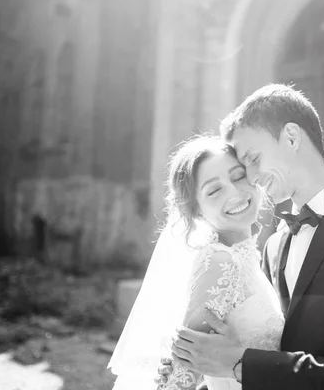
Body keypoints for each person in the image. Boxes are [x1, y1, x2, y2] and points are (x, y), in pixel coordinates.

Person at [163, 84, 324, 390]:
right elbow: (276, 356)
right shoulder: (275, 245)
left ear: (292, 137)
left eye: (253, 159)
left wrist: (239, 362)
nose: (253, 178)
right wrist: (212, 371)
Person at [108, 135, 285, 390]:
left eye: (237, 176)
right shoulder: (220, 261)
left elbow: (206, 370)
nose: (234, 192)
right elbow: (183, 373)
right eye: (214, 190)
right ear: (197, 209)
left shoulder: (249, 259)